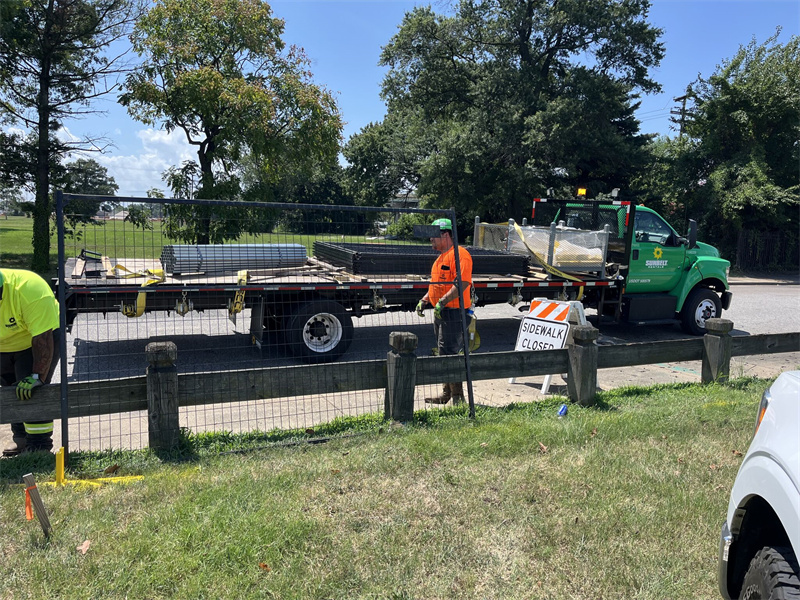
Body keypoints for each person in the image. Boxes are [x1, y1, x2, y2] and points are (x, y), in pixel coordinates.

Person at [0, 268, 61, 456]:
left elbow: (43, 339)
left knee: (30, 389)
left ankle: (39, 447)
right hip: (3, 344)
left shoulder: (29, 290)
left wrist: (36, 376)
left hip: (38, 340)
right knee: (11, 389)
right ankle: (21, 439)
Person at [415, 218, 473, 405]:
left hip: (454, 312)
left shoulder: (460, 255)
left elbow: (462, 283)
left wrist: (442, 301)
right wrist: (425, 299)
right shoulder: (441, 257)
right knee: (443, 352)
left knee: (449, 352)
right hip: (443, 311)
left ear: (445, 234)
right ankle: (447, 393)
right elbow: (438, 284)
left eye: (433, 235)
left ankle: (458, 398)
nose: (430, 239)